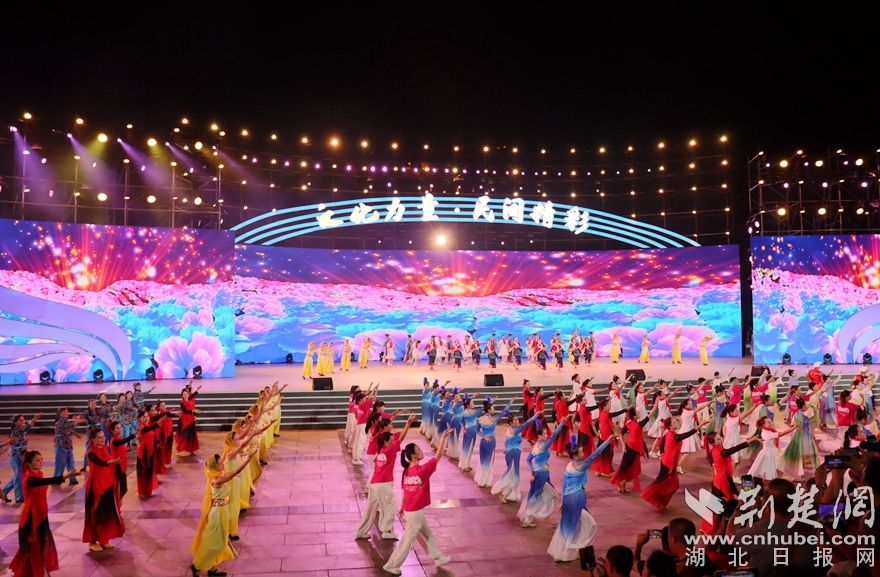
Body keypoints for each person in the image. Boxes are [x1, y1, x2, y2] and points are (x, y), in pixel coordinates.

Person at [382, 430, 454, 575]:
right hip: (415, 512)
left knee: (428, 534)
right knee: (407, 542)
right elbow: (439, 455)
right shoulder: (422, 470)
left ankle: (438, 556)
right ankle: (391, 565)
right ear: (414, 455)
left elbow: (405, 491)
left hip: (412, 510)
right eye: (419, 450)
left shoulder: (407, 471)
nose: (422, 451)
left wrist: (402, 507)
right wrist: (443, 438)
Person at [9, 450, 83, 577]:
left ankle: (41, 570)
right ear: (29, 464)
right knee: (33, 545)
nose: (40, 462)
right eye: (37, 460)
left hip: (41, 514)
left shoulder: (39, 474)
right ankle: (35, 571)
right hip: (31, 517)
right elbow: (43, 482)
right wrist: (65, 476)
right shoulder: (29, 479)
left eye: (41, 460)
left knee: (43, 543)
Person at [547, 433, 615, 562]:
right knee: (588, 524)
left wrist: (563, 502)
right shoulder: (581, 466)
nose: (583, 453)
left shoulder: (569, 466)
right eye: (581, 451)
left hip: (568, 499)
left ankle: (569, 550)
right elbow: (595, 454)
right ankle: (573, 548)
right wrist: (608, 440)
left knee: (569, 524)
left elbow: (564, 485)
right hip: (577, 499)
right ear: (575, 455)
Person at [190, 450, 257, 577]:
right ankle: (197, 565)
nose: (222, 464)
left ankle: (211, 568)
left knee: (220, 540)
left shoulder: (220, 474)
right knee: (217, 543)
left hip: (223, 510)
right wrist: (248, 458)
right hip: (218, 513)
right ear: (215, 466)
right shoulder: (216, 480)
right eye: (220, 463)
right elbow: (235, 472)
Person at [356, 414, 416, 540]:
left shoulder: (381, 451)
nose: (394, 440)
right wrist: (408, 423)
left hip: (374, 483)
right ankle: (386, 531)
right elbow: (402, 437)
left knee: (370, 509)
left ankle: (361, 531)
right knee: (389, 506)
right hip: (383, 484)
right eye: (392, 439)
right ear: (386, 441)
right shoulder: (390, 448)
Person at [518, 419, 569, 528]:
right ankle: (531, 517)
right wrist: (561, 423)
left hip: (540, 474)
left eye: (546, 434)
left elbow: (528, 460)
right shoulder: (543, 446)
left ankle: (544, 516)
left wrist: (532, 471)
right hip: (541, 475)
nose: (547, 435)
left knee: (543, 496)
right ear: (539, 435)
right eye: (545, 434)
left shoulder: (536, 446)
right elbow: (554, 435)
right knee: (544, 496)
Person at [82, 428, 124, 552]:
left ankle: (104, 539)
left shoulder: (105, 448)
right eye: (99, 438)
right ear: (93, 439)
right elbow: (100, 462)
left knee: (106, 513)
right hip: (96, 487)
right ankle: (92, 541)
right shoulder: (91, 453)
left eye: (103, 437)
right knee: (95, 514)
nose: (102, 439)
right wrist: (111, 461)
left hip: (107, 485)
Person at [3, 414, 43, 504]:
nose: (22, 421)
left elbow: (26, 427)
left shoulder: (21, 429)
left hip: (22, 454)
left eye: (23, 420)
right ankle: (19, 497)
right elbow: (27, 426)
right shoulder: (16, 429)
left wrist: (34, 419)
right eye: (20, 420)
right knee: (19, 475)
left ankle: (3, 492)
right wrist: (34, 419)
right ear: (15, 422)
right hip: (16, 454)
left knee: (19, 475)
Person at [53, 407, 85, 485]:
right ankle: (57, 479)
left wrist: (76, 434)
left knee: (71, 463)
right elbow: (68, 426)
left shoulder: (66, 421)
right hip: (61, 445)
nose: (66, 413)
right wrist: (79, 421)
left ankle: (72, 479)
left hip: (68, 444)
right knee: (60, 464)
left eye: (67, 411)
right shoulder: (59, 422)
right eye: (64, 412)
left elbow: (69, 429)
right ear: (60, 414)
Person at [177, 383, 203, 456]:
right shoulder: (182, 403)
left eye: (186, 394)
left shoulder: (189, 399)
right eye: (184, 394)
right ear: (182, 395)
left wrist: (197, 389)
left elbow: (193, 395)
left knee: (192, 434)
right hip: (186, 420)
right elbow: (185, 411)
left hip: (191, 419)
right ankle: (184, 449)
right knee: (186, 435)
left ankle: (192, 449)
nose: (185, 395)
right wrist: (193, 411)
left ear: (188, 394)